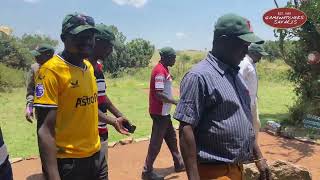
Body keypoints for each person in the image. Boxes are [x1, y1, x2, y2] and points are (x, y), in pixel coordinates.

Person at [174, 14, 271, 180]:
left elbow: (246, 121)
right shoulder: (199, 77)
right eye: (243, 45)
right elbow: (186, 129)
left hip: (236, 170)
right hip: (212, 172)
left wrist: (259, 157)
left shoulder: (236, 75)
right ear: (224, 41)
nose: (246, 51)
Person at [34, 13, 128, 180]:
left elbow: (87, 107)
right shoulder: (50, 72)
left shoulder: (88, 68)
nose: (86, 41)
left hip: (96, 155)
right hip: (70, 163)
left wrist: (113, 121)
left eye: (90, 36)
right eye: (79, 36)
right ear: (64, 38)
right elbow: (45, 130)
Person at [88, 23, 131, 178]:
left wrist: (119, 115)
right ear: (96, 42)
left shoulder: (97, 68)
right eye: (108, 46)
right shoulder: (85, 69)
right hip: (88, 136)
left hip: (101, 132)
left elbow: (102, 98)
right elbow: (87, 107)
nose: (111, 51)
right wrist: (113, 121)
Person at [142, 47, 185, 180]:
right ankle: (147, 172)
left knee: (171, 138)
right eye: (173, 57)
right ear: (166, 57)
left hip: (164, 113)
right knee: (156, 143)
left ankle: (178, 163)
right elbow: (159, 94)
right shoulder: (160, 71)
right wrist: (176, 102)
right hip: (159, 112)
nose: (175, 59)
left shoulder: (164, 69)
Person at [239, 44, 268, 138]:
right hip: (246, 101)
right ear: (253, 53)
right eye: (259, 55)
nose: (260, 58)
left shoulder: (252, 63)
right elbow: (238, 79)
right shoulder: (245, 63)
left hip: (253, 100)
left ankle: (252, 146)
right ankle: (249, 147)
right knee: (248, 125)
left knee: (256, 124)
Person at [25, 44, 55, 124]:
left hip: (59, 112)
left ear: (49, 55)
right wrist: (29, 108)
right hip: (41, 111)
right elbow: (31, 91)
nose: (35, 57)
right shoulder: (34, 68)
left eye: (38, 55)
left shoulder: (59, 68)